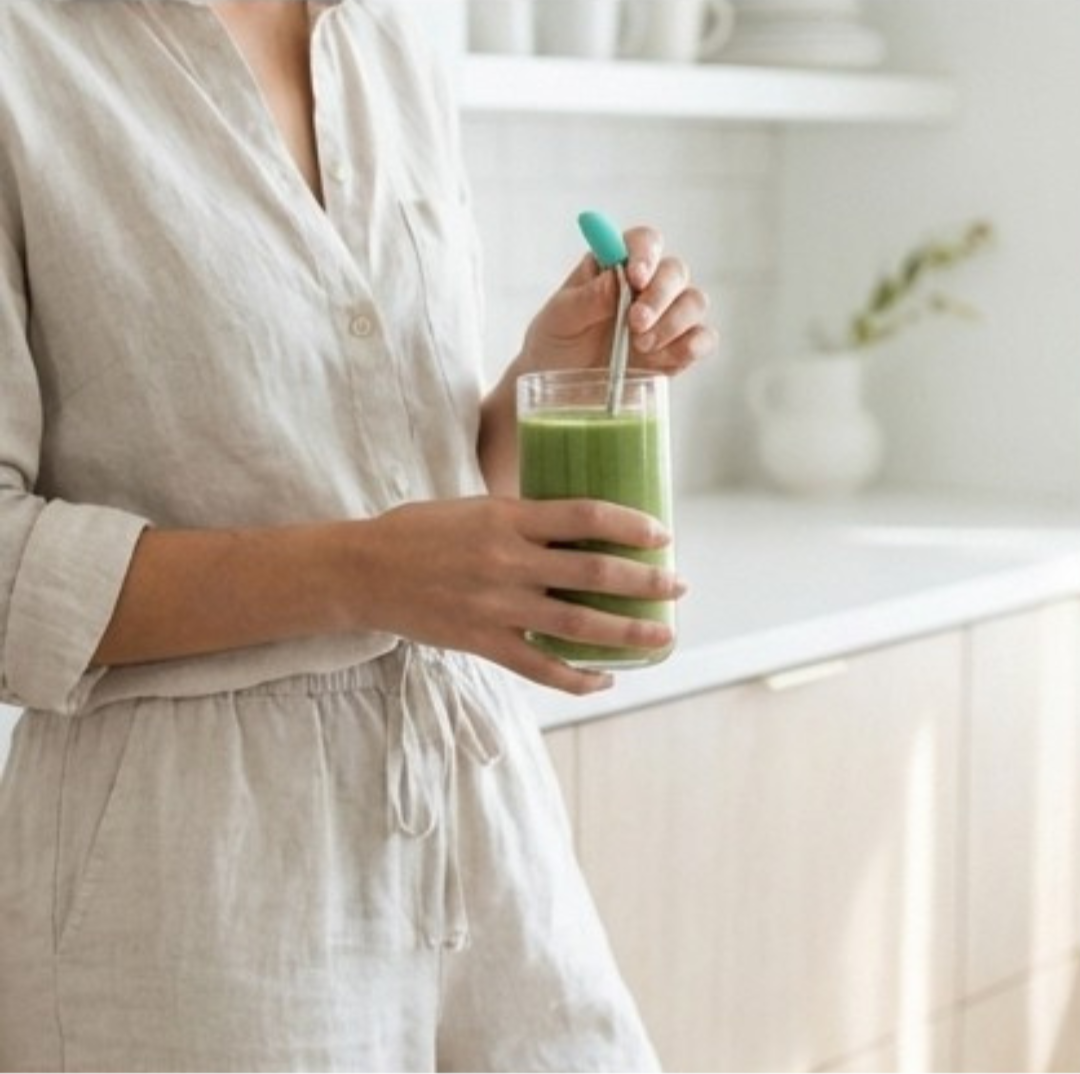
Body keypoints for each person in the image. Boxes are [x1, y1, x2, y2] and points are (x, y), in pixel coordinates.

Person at [0, 0, 716, 1070]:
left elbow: (414, 469)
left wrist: (547, 368)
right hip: (194, 882)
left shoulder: (386, 43)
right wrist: (362, 572)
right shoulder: (27, 51)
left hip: (485, 832)